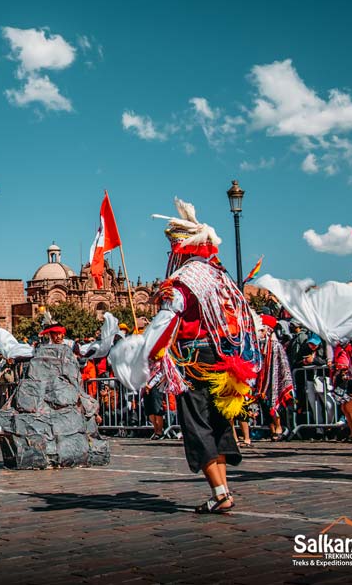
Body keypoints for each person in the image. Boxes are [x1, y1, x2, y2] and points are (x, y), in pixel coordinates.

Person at [110, 198, 260, 513]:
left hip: (194, 361)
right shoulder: (219, 277)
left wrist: (142, 351)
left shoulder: (183, 281)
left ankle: (220, 493)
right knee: (218, 423)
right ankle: (223, 491)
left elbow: (168, 318)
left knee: (197, 423)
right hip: (224, 358)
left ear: (180, 248)